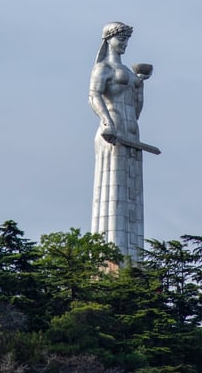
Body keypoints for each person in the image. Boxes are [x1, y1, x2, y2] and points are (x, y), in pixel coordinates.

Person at [88, 22, 153, 261]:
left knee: (132, 196)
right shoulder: (102, 68)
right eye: (121, 39)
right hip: (112, 132)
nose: (124, 44)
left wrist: (140, 85)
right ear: (108, 40)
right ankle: (108, 260)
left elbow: (136, 109)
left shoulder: (128, 72)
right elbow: (93, 95)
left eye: (127, 40)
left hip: (132, 133)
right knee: (112, 191)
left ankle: (133, 262)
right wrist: (106, 122)